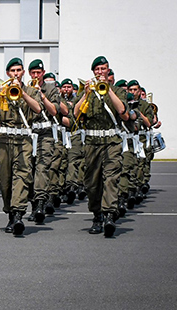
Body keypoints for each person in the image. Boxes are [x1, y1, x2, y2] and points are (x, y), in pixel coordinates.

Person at [0, 57, 42, 236]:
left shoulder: (31, 91)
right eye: (12, 71)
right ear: (8, 73)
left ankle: (18, 215)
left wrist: (22, 93)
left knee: (22, 176)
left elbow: (38, 109)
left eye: (18, 70)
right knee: (5, 180)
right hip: (4, 140)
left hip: (23, 140)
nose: (16, 74)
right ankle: (10, 213)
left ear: (23, 72)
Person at [74, 56, 128, 238]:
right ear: (93, 72)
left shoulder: (118, 91)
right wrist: (86, 94)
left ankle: (109, 216)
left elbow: (122, 111)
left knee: (111, 179)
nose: (100, 72)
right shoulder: (87, 91)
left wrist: (108, 90)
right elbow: (75, 113)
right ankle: (97, 215)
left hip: (112, 141)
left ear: (108, 70)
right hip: (92, 143)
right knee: (92, 183)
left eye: (103, 69)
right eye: (97, 70)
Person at [27, 59, 63, 223]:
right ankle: (33, 203)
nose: (36, 75)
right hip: (29, 133)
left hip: (46, 132)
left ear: (43, 73)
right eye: (33, 73)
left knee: (42, 168)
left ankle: (40, 205)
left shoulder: (51, 89)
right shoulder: (25, 89)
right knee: (28, 170)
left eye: (38, 73)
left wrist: (41, 96)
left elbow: (54, 111)